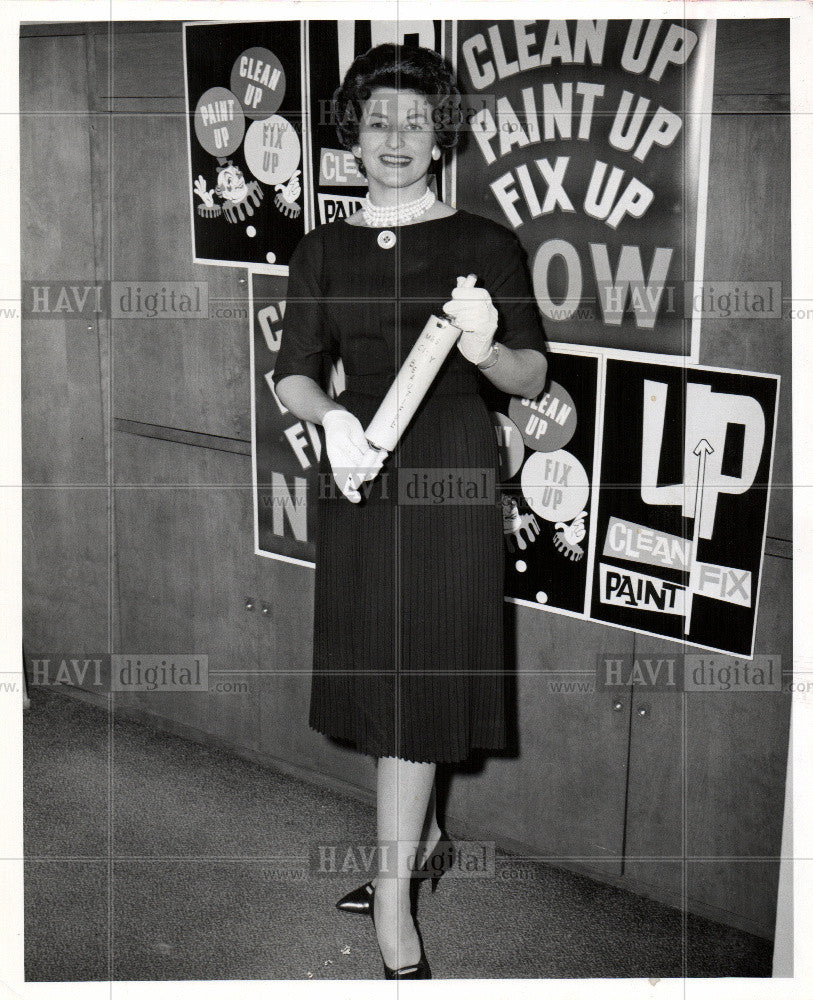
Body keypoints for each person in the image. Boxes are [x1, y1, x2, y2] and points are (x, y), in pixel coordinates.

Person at [272, 43, 547, 979]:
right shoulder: (324, 246)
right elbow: (293, 374)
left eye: (415, 122)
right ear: (354, 133)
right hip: (362, 468)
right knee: (394, 674)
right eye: (378, 120)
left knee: (413, 679)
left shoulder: (483, 243)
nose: (395, 138)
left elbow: (530, 374)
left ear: (441, 136)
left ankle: (394, 908)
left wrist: (483, 349)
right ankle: (424, 845)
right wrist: (331, 418)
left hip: (450, 475)